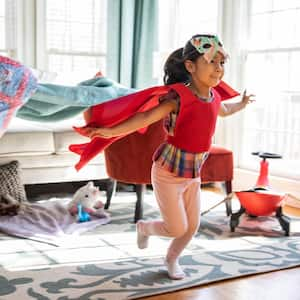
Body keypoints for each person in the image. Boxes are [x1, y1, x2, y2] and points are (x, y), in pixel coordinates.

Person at [73, 34, 255, 280]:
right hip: (168, 173)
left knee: (192, 227)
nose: (218, 69)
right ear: (190, 66)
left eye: (222, 63)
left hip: (193, 174)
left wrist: (241, 105)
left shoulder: (215, 97)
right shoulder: (179, 98)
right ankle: (144, 227)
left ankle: (171, 258)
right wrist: (109, 131)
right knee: (176, 227)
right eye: (212, 61)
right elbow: (144, 119)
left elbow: (224, 110)